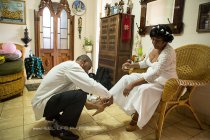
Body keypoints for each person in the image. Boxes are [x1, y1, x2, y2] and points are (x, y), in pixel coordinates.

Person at [107, 24, 177, 131]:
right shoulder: (153, 47)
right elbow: (145, 63)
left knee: (143, 89)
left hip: (164, 83)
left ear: (165, 41)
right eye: (152, 39)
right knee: (127, 78)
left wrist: (132, 84)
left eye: (157, 40)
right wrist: (131, 65)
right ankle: (106, 99)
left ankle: (136, 118)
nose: (154, 42)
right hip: (149, 76)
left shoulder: (168, 53)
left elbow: (155, 75)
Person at [31, 55, 111, 140]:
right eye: (88, 68)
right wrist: (109, 95)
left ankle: (53, 117)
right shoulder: (73, 67)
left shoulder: (69, 69)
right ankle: (60, 128)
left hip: (44, 104)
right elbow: (91, 85)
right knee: (81, 94)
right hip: (44, 105)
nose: (87, 72)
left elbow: (84, 102)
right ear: (83, 62)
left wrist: (97, 106)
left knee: (80, 94)